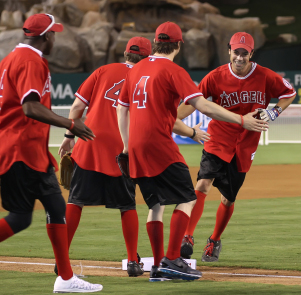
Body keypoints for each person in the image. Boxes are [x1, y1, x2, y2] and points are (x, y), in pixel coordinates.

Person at [117, 22, 267, 281]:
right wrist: (242, 120)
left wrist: (126, 145)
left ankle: (158, 266)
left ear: (155, 42)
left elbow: (122, 108)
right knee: (187, 197)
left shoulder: (136, 69)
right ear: (178, 45)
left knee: (155, 205)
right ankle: (173, 259)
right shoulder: (173, 70)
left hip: (136, 146)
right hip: (159, 144)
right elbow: (203, 106)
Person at [57, 36, 210, 278]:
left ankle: (61, 259)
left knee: (76, 201)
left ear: (126, 53)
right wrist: (192, 132)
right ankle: (132, 261)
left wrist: (69, 134)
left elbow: (76, 107)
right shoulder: (144, 75)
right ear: (150, 54)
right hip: (125, 149)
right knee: (127, 205)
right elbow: (164, 119)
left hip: (90, 145)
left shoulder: (103, 70)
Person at [0, 13, 102, 293]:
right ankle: (66, 279)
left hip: (30, 150)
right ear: (46, 36)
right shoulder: (30, 60)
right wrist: (71, 124)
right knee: (20, 217)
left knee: (57, 208)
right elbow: (30, 107)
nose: (55, 38)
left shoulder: (13, 58)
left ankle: (66, 279)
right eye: (53, 34)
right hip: (19, 150)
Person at [176, 32, 297, 262]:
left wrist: (274, 111)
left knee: (228, 198)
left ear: (251, 54)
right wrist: (171, 120)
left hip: (245, 145)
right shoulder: (215, 77)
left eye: (244, 53)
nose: (239, 57)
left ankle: (214, 240)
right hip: (218, 138)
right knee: (202, 184)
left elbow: (289, 93)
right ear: (229, 51)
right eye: (236, 52)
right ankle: (187, 236)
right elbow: (193, 101)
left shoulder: (265, 76)